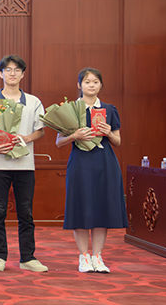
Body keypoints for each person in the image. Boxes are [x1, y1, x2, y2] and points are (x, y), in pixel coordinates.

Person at [0, 55, 48, 273]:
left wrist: (27, 138)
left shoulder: (33, 102)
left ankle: (28, 257)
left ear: (22, 74)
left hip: (25, 165)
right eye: (8, 69)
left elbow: (40, 130)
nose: (12, 73)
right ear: (0, 73)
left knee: (25, 213)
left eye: (17, 70)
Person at [58, 67, 126, 273]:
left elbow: (118, 141)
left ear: (101, 85)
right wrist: (75, 136)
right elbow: (59, 142)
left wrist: (109, 133)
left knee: (101, 209)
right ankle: (83, 256)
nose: (91, 85)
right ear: (79, 85)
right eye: (87, 82)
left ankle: (97, 256)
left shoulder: (109, 110)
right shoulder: (70, 109)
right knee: (81, 209)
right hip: (80, 163)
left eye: (95, 82)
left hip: (105, 164)